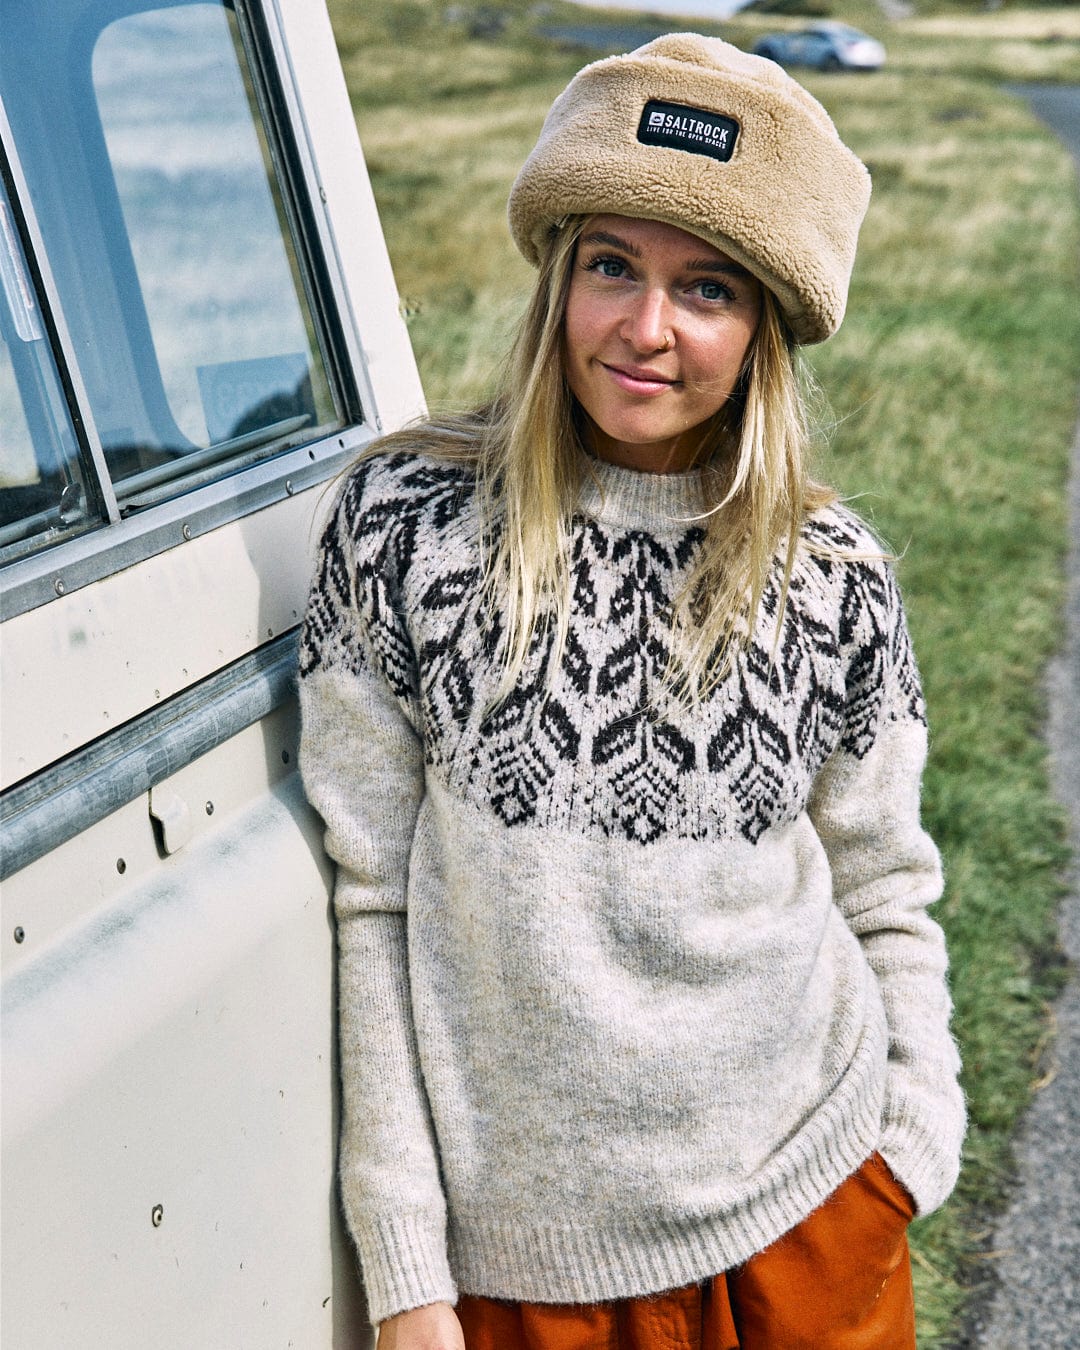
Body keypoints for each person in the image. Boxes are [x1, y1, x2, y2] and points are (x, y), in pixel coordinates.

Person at [299, 33, 965, 1350]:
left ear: (765, 325)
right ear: (558, 280)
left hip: (812, 1222)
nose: (645, 328)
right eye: (613, 265)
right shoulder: (404, 531)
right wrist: (408, 1267)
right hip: (523, 1278)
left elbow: (885, 882)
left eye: (705, 287)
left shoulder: (831, 576)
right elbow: (369, 900)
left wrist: (912, 1140)